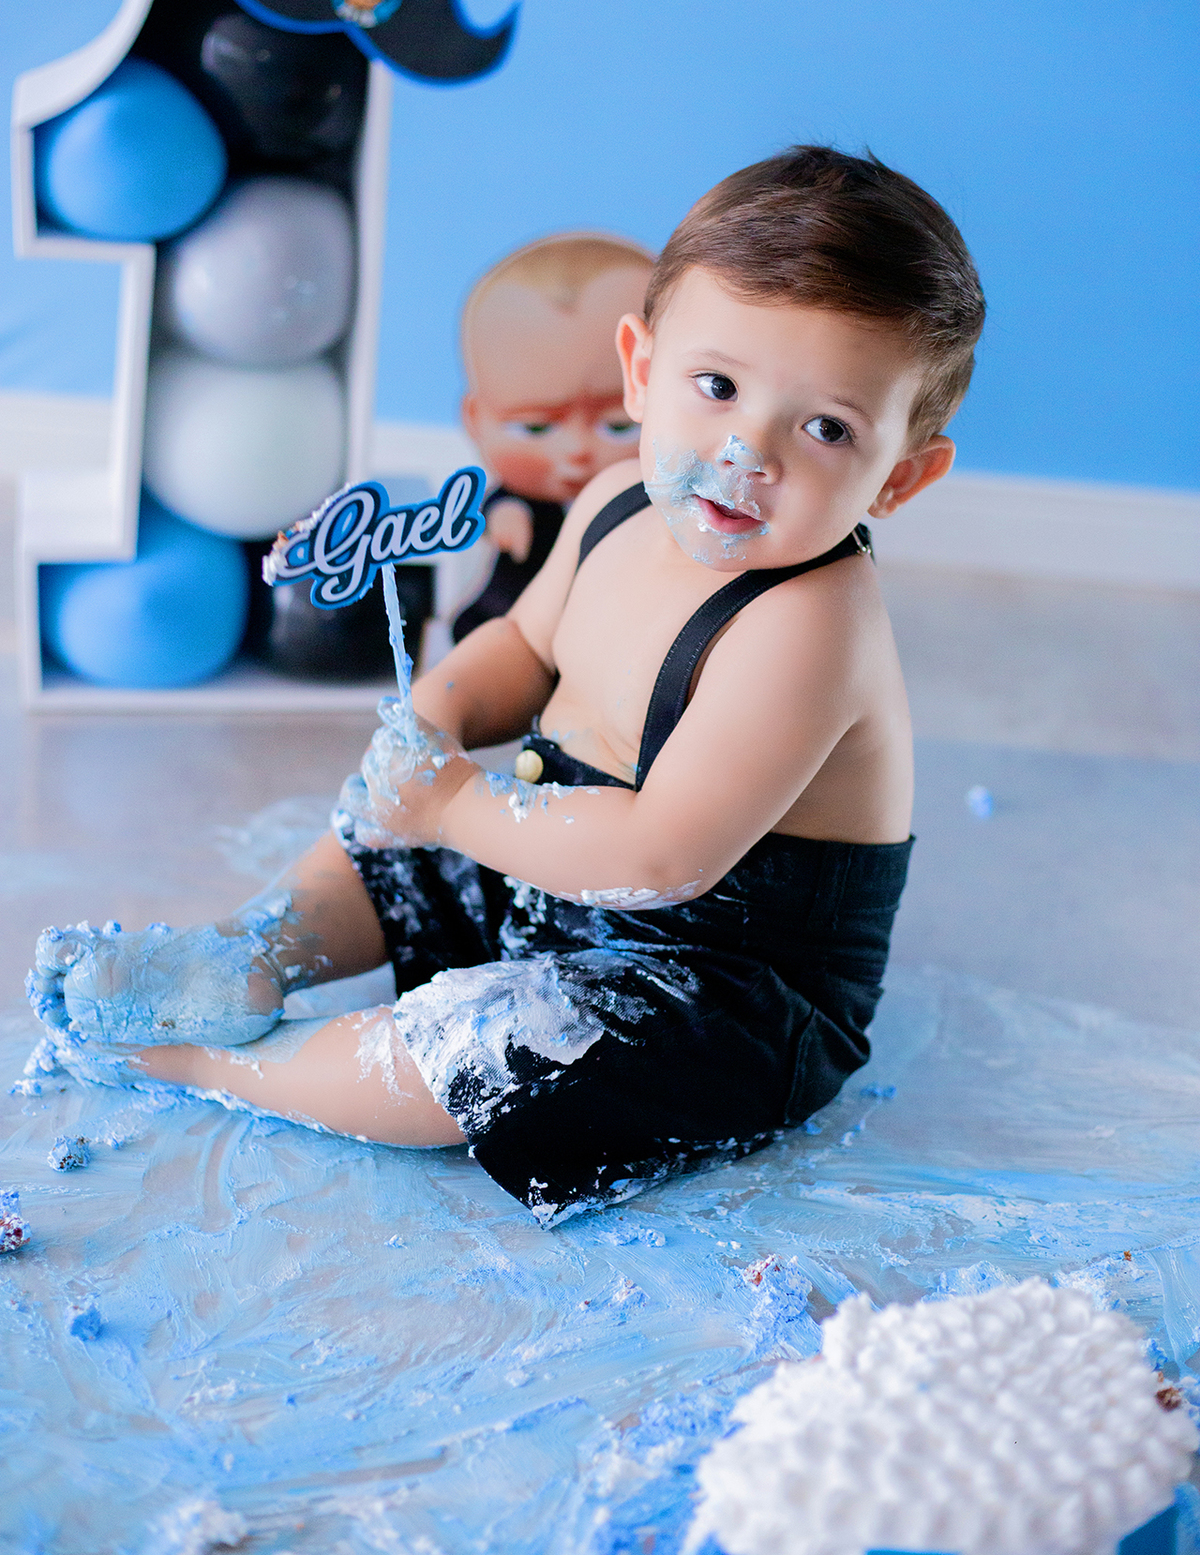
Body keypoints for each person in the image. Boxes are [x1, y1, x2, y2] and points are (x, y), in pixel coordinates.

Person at [27, 146, 984, 1228]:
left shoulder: (810, 628)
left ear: (902, 475)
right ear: (641, 370)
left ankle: (228, 1063)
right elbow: (525, 645)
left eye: (826, 429)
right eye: (717, 386)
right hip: (556, 869)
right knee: (382, 842)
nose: (745, 451)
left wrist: (454, 803)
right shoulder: (617, 502)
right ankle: (255, 949)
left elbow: (661, 856)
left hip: (721, 984)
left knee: (484, 1043)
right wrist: (435, 718)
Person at [452, 230, 653, 641]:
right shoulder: (525, 503)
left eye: (619, 425)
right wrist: (504, 517)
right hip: (509, 619)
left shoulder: (651, 505)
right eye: (535, 427)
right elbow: (494, 504)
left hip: (608, 633)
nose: (577, 450)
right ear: (476, 421)